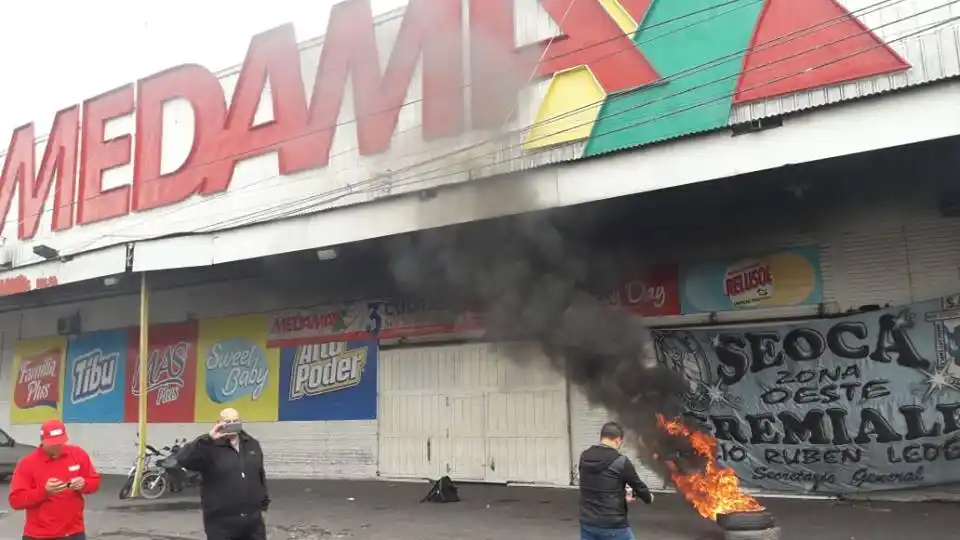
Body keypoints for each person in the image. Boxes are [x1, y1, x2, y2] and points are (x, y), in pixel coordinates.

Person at [178, 407, 270, 540]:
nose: (232, 424)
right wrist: (208, 438)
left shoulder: (252, 444)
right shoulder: (208, 447)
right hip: (221, 524)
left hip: (253, 523)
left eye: (235, 421)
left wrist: (264, 506)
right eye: (228, 421)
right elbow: (183, 459)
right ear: (219, 423)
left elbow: (260, 475)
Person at [8, 419, 101, 540]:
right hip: (39, 535)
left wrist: (84, 484)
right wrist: (44, 492)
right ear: (42, 441)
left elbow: (95, 482)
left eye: (60, 442)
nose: (57, 447)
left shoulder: (78, 454)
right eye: (52, 444)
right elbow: (16, 501)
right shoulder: (27, 464)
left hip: (73, 532)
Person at [578, 421, 654, 540]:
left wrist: (622, 494)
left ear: (601, 437)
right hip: (613, 525)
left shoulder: (584, 457)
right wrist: (648, 497)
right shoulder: (621, 461)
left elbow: (598, 484)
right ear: (618, 440)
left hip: (588, 523)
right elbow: (638, 486)